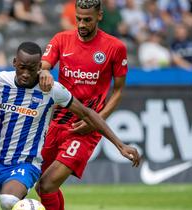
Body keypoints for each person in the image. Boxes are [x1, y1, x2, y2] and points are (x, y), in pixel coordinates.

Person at [0, 42, 141, 210]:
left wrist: (120, 144)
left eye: (31, 69)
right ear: (14, 62)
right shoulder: (1, 80)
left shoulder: (52, 90)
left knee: (8, 201)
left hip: (25, 163)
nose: (26, 74)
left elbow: (87, 113)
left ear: (39, 67)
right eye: (22, 68)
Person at [37, 1, 140, 209]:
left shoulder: (115, 47)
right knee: (42, 187)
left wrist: (97, 121)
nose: (82, 24)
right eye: (79, 19)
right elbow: (44, 66)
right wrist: (45, 71)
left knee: (48, 184)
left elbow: (118, 91)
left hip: (86, 129)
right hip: (56, 122)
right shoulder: (61, 39)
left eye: (87, 20)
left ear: (99, 16)